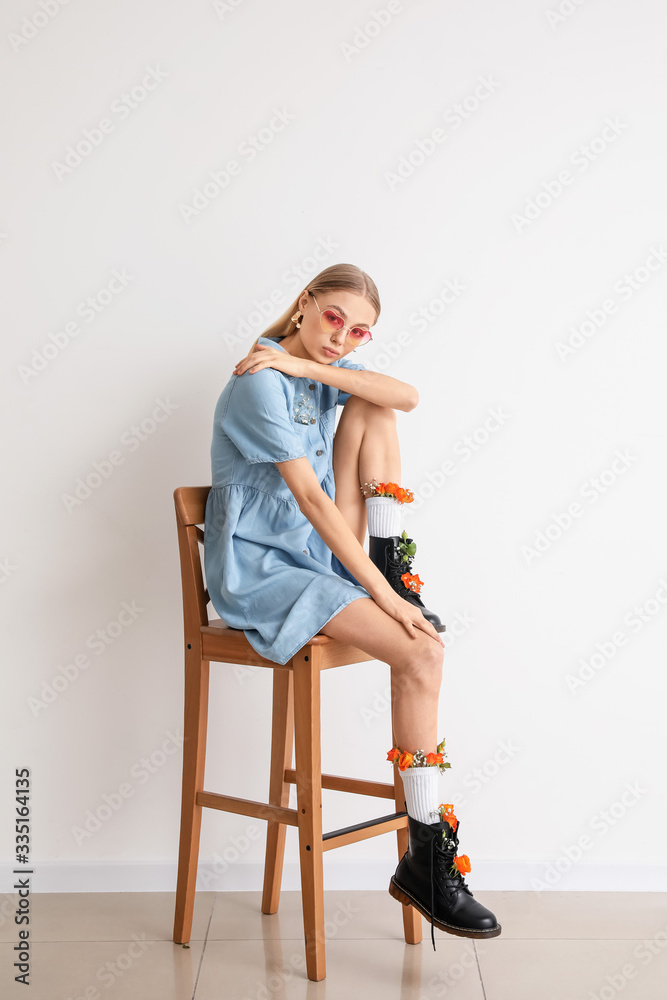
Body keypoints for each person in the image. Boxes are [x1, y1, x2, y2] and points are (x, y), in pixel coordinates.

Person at [204, 262, 501, 948]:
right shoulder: (258, 380)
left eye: (358, 331)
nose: (340, 337)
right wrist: (379, 598)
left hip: (312, 553)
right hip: (264, 569)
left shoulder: (314, 370)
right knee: (422, 648)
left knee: (375, 402)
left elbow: (406, 395)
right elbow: (309, 500)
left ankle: (395, 572)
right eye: (332, 317)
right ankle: (427, 852)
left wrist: (333, 373)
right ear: (304, 304)